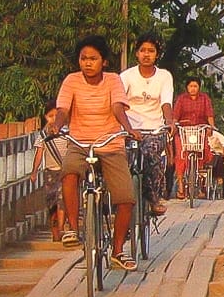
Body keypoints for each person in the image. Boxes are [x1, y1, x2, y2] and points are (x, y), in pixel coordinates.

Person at [48, 35, 141, 271]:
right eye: (83, 58)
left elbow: (117, 107)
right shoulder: (71, 81)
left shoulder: (112, 81)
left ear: (104, 61)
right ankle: (73, 227)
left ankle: (118, 250)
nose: (87, 63)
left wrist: (128, 129)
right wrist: (57, 124)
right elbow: (63, 109)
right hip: (79, 142)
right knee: (69, 172)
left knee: (126, 197)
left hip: (110, 144)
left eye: (93, 58)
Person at [120, 32, 174, 216]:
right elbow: (118, 104)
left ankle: (153, 198)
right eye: (142, 50)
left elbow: (166, 102)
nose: (146, 54)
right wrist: (126, 127)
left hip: (154, 129)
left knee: (151, 155)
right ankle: (120, 205)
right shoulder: (126, 76)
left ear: (157, 54)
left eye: (151, 51)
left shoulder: (164, 76)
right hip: (129, 130)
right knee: (120, 161)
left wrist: (169, 121)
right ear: (136, 53)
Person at [172, 76, 215, 199]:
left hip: (199, 131)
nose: (193, 88)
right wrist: (174, 125)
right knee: (180, 154)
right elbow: (175, 116)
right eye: (191, 86)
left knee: (203, 151)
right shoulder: (181, 99)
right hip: (183, 131)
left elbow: (209, 114)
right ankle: (180, 183)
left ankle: (200, 184)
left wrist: (211, 127)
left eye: (195, 86)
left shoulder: (205, 99)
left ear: (199, 87)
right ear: (187, 87)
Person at [29, 100, 65, 241]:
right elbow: (39, 154)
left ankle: (62, 230)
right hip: (49, 172)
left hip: (64, 171)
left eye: (57, 115)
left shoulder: (66, 132)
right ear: (45, 117)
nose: (54, 119)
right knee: (52, 204)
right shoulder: (43, 136)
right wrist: (34, 172)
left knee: (63, 201)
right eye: (51, 116)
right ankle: (55, 233)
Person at [208, 128, 224, 198]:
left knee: (219, 160)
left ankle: (219, 178)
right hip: (207, 156)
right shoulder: (202, 135)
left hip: (218, 154)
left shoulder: (218, 136)